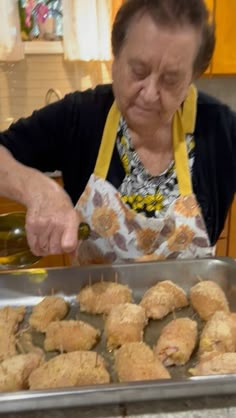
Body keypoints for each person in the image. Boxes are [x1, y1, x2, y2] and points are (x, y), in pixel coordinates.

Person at [0, 0, 235, 265]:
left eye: (171, 80)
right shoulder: (80, 116)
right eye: (138, 71)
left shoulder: (221, 129)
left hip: (191, 305)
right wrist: (35, 188)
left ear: (193, 76)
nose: (149, 94)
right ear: (115, 56)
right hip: (94, 303)